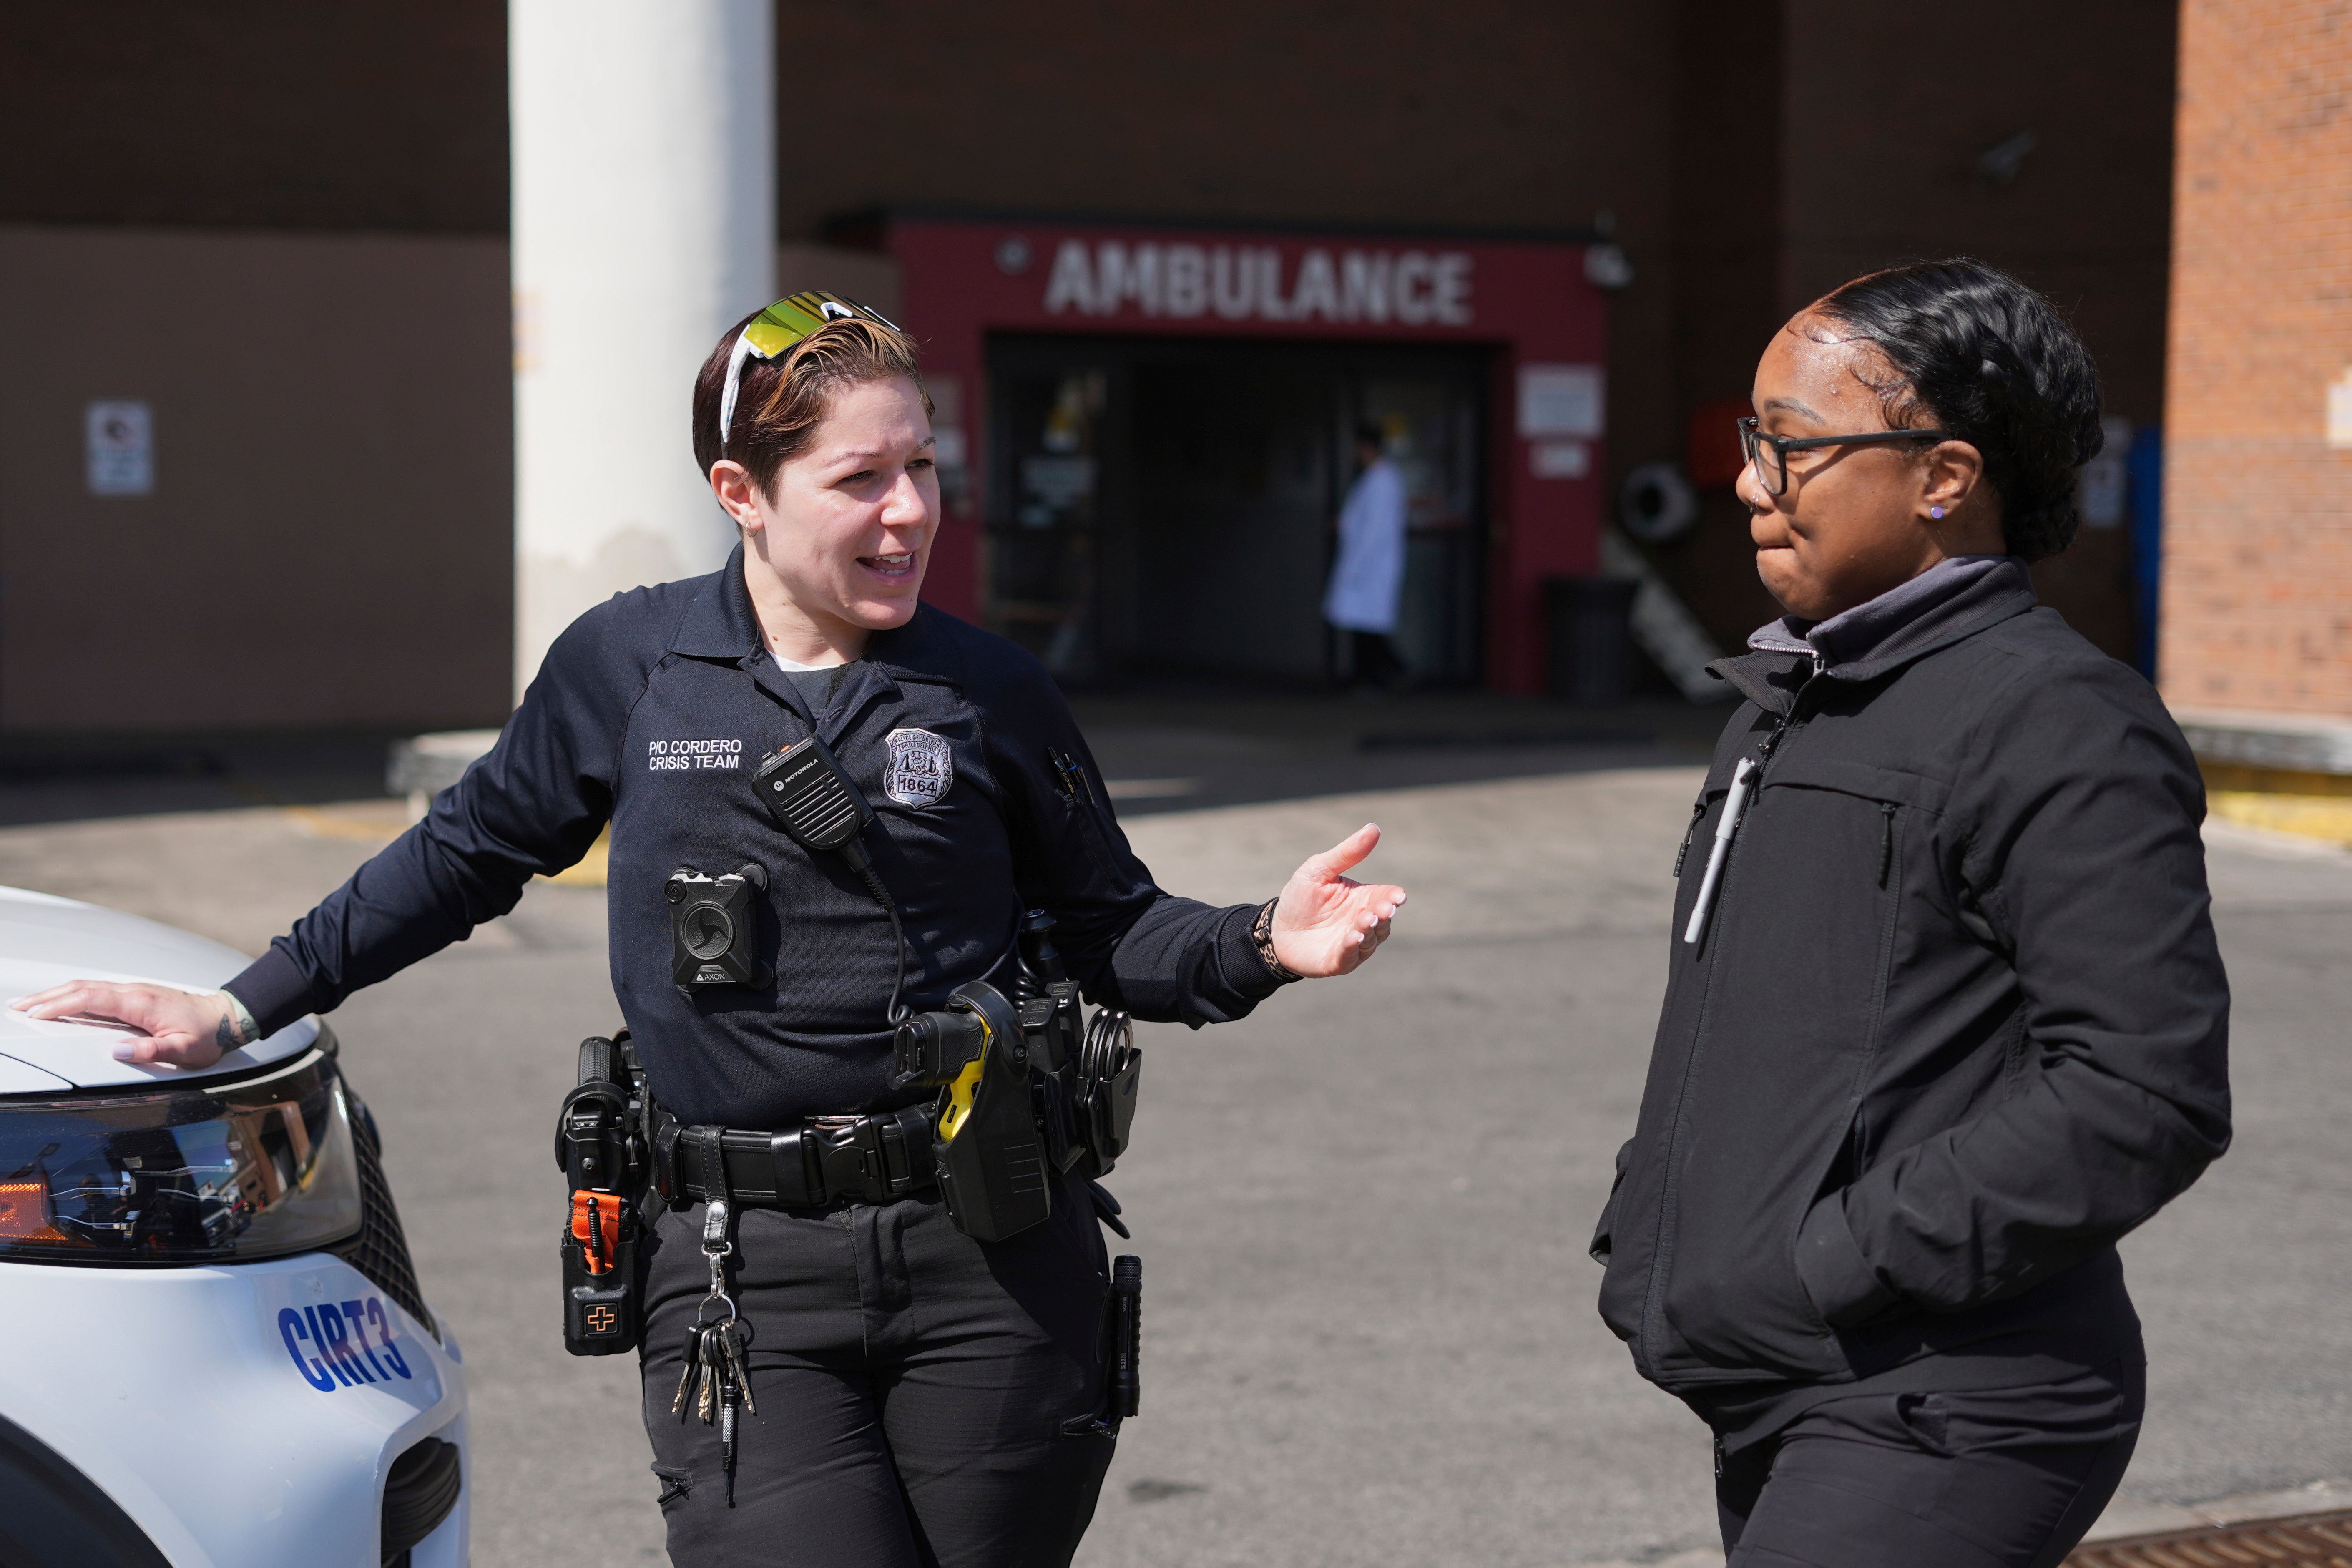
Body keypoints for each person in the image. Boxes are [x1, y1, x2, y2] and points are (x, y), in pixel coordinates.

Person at [12, 294, 1407, 1568]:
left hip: (993, 1263)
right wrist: (247, 1004)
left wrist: (1262, 943)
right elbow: (464, 855)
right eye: (862, 478)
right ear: (741, 492)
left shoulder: (991, 690)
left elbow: (1116, 928)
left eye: (922, 466)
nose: (910, 510)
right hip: (742, 1278)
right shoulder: (628, 667)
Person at [1588, 260, 2230, 1568]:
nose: (1749, 481)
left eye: (1790, 444)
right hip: (1786, 1377)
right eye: (1748, 439)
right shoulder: (1791, 700)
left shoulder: (2054, 717)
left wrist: (1821, 1259)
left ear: (1941, 476)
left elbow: (2140, 1088)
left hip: (1950, 1394)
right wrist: (1655, 1225)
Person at [1322, 422, 1409, 689]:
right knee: (1363, 625)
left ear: (1367, 448)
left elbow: (1373, 532)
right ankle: (1370, 676)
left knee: (1370, 627)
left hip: (1372, 565)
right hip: (1367, 564)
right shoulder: (1373, 479)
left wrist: (1357, 566)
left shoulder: (1383, 482)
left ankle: (1386, 674)